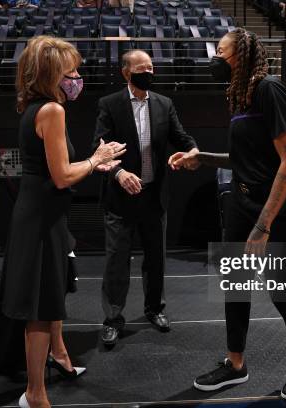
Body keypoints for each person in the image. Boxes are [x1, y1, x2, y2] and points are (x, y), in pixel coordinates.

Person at [169, 29, 286, 401]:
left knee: (284, 291)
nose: (214, 58)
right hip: (242, 200)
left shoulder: (270, 89)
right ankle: (235, 364)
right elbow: (243, 159)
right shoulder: (240, 96)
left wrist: (263, 225)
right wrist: (201, 157)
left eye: (220, 51)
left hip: (281, 207)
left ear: (242, 55)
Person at [0, 36, 125, 408]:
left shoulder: (41, 107)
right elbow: (61, 177)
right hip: (40, 221)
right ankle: (35, 394)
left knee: (50, 297)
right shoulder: (52, 112)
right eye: (71, 71)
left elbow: (60, 169)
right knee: (40, 311)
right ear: (52, 74)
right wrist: (95, 158)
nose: (76, 77)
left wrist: (91, 164)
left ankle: (60, 355)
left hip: (43, 215)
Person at [93, 50, 199, 347]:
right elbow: (98, 148)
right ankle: (113, 318)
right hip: (121, 196)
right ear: (127, 72)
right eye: (142, 68)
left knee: (156, 259)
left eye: (152, 67)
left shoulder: (165, 104)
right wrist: (119, 173)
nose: (149, 73)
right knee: (117, 261)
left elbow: (182, 137)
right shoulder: (110, 105)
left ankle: (155, 309)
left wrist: (192, 151)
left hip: (154, 195)